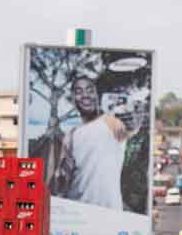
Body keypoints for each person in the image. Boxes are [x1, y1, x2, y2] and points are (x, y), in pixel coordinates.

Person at [51, 76, 135, 211]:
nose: (85, 95)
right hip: (76, 212)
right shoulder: (71, 135)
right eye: (79, 92)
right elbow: (62, 178)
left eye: (90, 91)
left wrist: (132, 125)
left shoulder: (111, 121)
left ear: (97, 95)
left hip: (109, 213)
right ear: (73, 99)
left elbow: (128, 129)